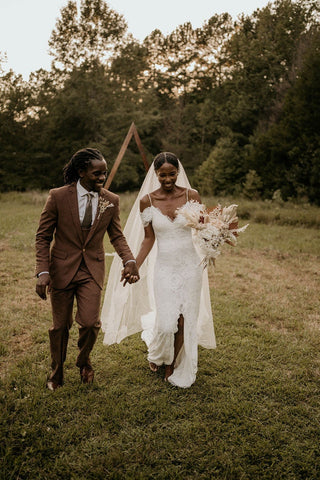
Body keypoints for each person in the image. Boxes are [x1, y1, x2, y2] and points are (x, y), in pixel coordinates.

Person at [101, 152, 216, 388]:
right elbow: (148, 239)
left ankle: (172, 363)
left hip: (190, 267)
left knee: (184, 321)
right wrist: (134, 264)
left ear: (178, 172)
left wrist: (215, 237)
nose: (167, 179)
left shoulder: (191, 195)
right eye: (162, 175)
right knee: (166, 323)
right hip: (164, 268)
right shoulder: (148, 201)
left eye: (171, 174)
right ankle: (158, 354)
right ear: (156, 175)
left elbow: (204, 228)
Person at [35, 148, 139, 391]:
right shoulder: (58, 196)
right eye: (96, 174)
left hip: (91, 270)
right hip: (61, 270)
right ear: (81, 172)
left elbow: (117, 236)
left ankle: (83, 361)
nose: (102, 178)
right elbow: (42, 237)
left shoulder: (110, 201)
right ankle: (57, 372)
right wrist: (42, 272)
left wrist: (129, 260)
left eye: (104, 173)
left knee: (91, 323)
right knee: (60, 326)